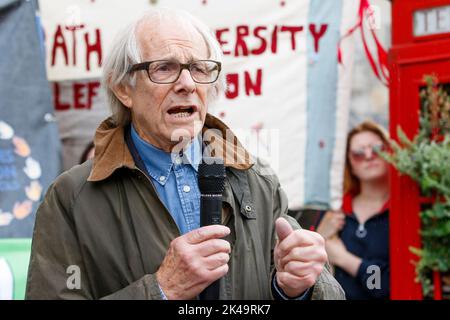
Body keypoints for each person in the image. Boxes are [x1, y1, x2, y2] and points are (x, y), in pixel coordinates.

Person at [25, 8, 344, 300]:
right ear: (124, 89)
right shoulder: (71, 198)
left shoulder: (257, 181)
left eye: (199, 68)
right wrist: (161, 290)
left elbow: (325, 292)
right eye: (164, 68)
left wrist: (298, 288)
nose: (188, 83)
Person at [315, 120, 390, 299]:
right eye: (358, 153)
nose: (369, 155)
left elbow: (385, 285)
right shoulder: (335, 210)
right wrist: (320, 236)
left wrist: (343, 258)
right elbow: (312, 279)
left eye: (377, 148)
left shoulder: (401, 212)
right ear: (350, 164)